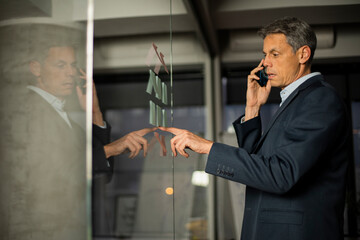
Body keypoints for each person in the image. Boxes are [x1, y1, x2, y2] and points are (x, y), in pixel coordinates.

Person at [160, 16, 351, 240]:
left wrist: (207, 147)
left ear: (303, 54)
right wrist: (252, 108)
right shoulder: (294, 102)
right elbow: (257, 170)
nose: (265, 62)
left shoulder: (319, 99)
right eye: (264, 54)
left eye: (275, 54)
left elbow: (281, 175)